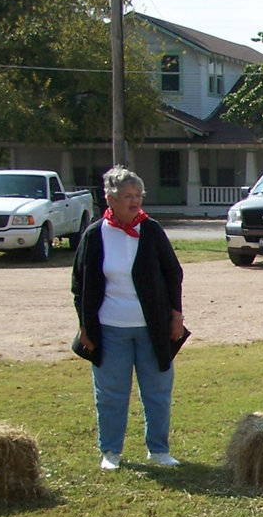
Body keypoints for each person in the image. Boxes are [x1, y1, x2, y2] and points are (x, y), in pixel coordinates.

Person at [71, 165, 185, 471]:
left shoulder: (151, 230)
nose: (135, 202)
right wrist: (84, 325)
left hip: (153, 329)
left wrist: (176, 315)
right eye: (127, 196)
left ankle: (158, 450)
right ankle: (110, 452)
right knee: (111, 394)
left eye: (138, 195)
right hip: (109, 330)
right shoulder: (95, 235)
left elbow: (174, 273)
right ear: (110, 199)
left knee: (157, 390)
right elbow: (79, 285)